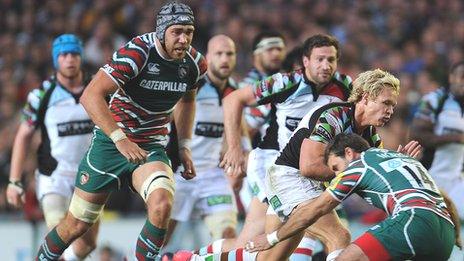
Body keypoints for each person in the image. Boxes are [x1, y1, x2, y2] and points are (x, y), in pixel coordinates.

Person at [35, 2, 207, 260]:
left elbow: (187, 100)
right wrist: (120, 139)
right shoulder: (137, 52)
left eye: (189, 32)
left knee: (162, 205)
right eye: (177, 31)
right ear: (161, 31)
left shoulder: (194, 63)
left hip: (150, 147)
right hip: (110, 143)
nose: (184, 39)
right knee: (76, 225)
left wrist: (183, 146)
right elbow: (90, 95)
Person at [198, 34, 352, 258]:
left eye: (331, 60)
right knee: (312, 227)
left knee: (253, 241)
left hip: (305, 169)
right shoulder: (285, 82)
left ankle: (192, 257)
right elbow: (234, 100)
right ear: (306, 61)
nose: (326, 65)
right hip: (271, 164)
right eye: (319, 59)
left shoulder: (345, 86)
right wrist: (234, 148)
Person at [247, 133, 460, 261]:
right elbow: (438, 196)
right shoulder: (397, 157)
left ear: (349, 153)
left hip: (413, 222)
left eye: (336, 168)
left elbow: (315, 209)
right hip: (445, 234)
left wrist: (272, 238)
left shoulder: (359, 165)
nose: (337, 175)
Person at [6, 34, 99, 260]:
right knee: (60, 235)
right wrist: (14, 180)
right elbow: (23, 136)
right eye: (64, 55)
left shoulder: (96, 89)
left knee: (88, 244)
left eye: (74, 54)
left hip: (91, 177)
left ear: (81, 57)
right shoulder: (41, 95)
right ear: (56, 59)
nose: (70, 59)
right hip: (54, 176)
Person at [163, 35, 247, 247]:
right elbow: (165, 118)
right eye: (219, 54)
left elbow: (239, 129)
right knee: (161, 238)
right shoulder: (193, 85)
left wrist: (242, 157)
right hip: (180, 173)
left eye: (229, 54)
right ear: (208, 57)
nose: (225, 59)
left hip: (213, 176)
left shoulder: (235, 91)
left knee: (227, 234)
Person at [411, 60, 464, 220]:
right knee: (430, 223)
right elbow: (416, 136)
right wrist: (455, 137)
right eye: (462, 76)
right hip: (431, 176)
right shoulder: (435, 100)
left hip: (457, 180)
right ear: (451, 77)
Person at [239, 30, 287, 148]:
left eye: (279, 49)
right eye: (270, 49)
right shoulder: (245, 88)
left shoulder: (286, 82)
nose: (276, 53)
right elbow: (246, 130)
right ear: (256, 54)